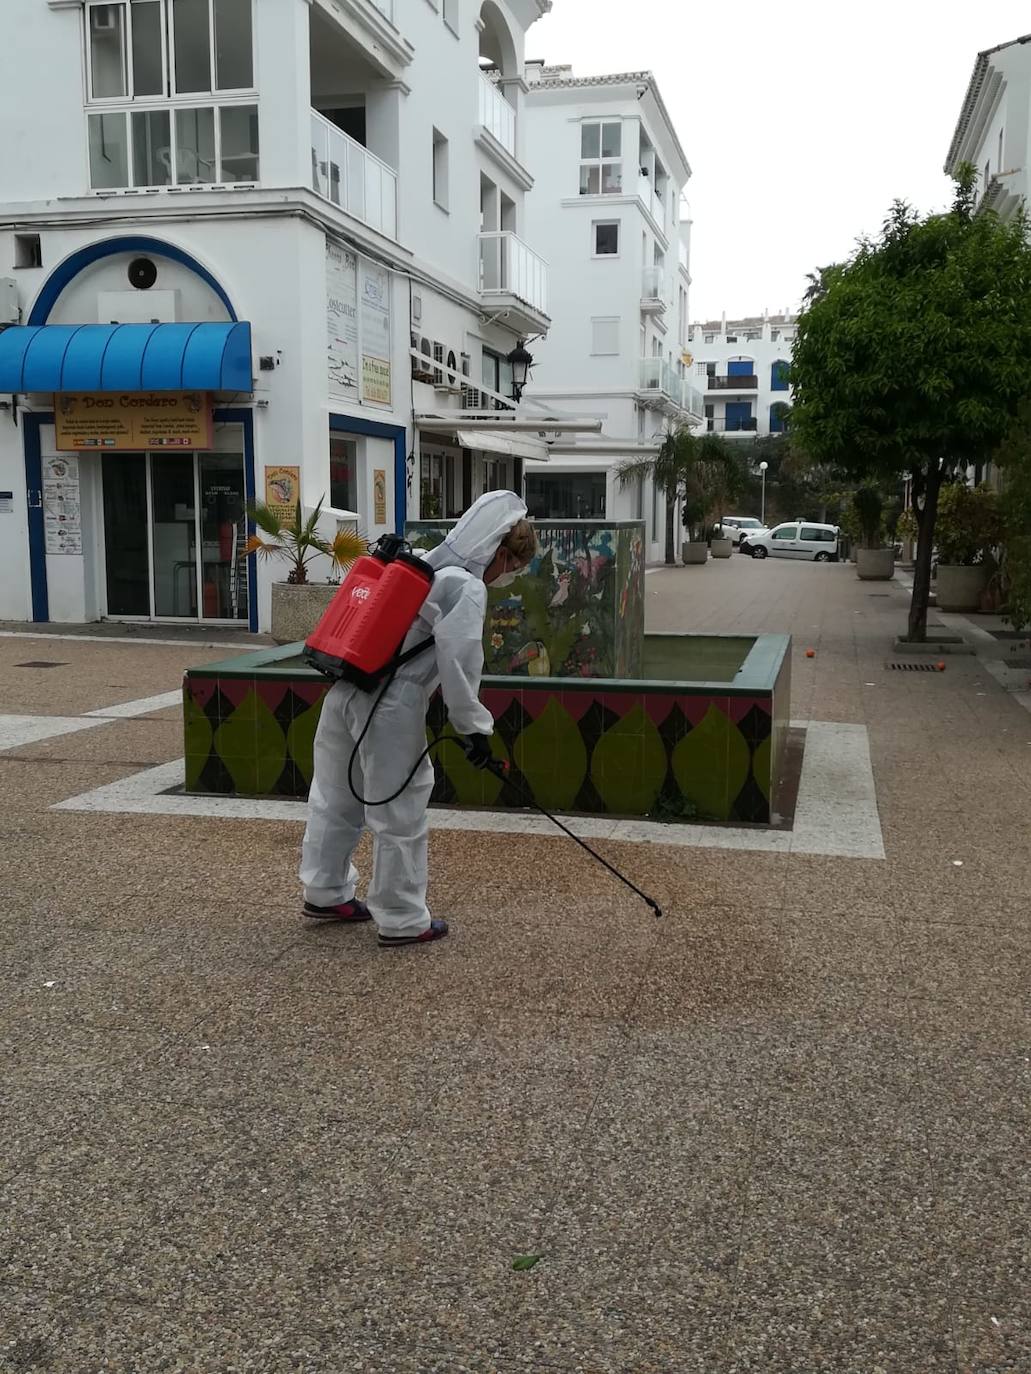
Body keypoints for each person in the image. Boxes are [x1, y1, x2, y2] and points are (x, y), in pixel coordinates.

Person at [299, 490, 536, 948]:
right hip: (389, 704)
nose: (509, 577)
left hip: (343, 688)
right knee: (399, 811)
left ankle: (325, 892)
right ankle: (404, 918)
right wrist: (475, 731)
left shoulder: (418, 565)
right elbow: (461, 663)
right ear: (500, 552)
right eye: (513, 568)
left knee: (334, 797)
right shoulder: (465, 586)